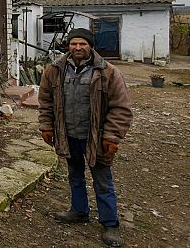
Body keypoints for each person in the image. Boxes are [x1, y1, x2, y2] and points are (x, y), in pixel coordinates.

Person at [38, 28, 133, 247]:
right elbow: (46, 101)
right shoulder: (54, 70)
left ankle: (110, 224)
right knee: (75, 175)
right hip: (68, 134)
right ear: (68, 46)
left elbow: (121, 108)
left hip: (96, 139)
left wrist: (112, 136)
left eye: (82, 44)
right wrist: (46, 126)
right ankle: (79, 211)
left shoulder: (108, 72)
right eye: (73, 44)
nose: (78, 48)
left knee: (102, 181)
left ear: (90, 46)